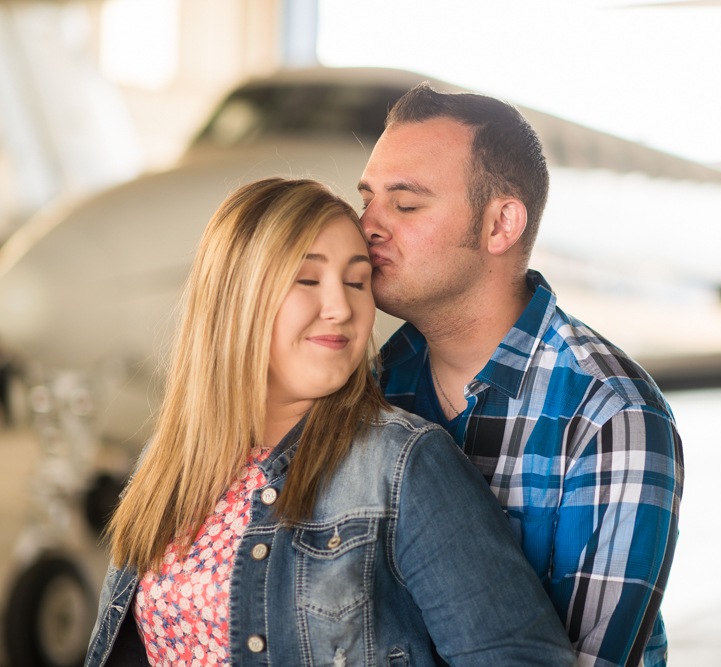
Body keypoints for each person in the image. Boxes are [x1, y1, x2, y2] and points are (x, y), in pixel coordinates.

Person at [84, 177, 576, 667]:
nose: (342, 308)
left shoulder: (404, 465)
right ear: (236, 297)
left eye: (357, 282)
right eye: (308, 279)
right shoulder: (166, 463)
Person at [358, 83, 685, 667]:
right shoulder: (375, 385)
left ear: (500, 225)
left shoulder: (610, 414)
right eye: (368, 199)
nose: (369, 226)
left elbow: (593, 660)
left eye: (405, 204)